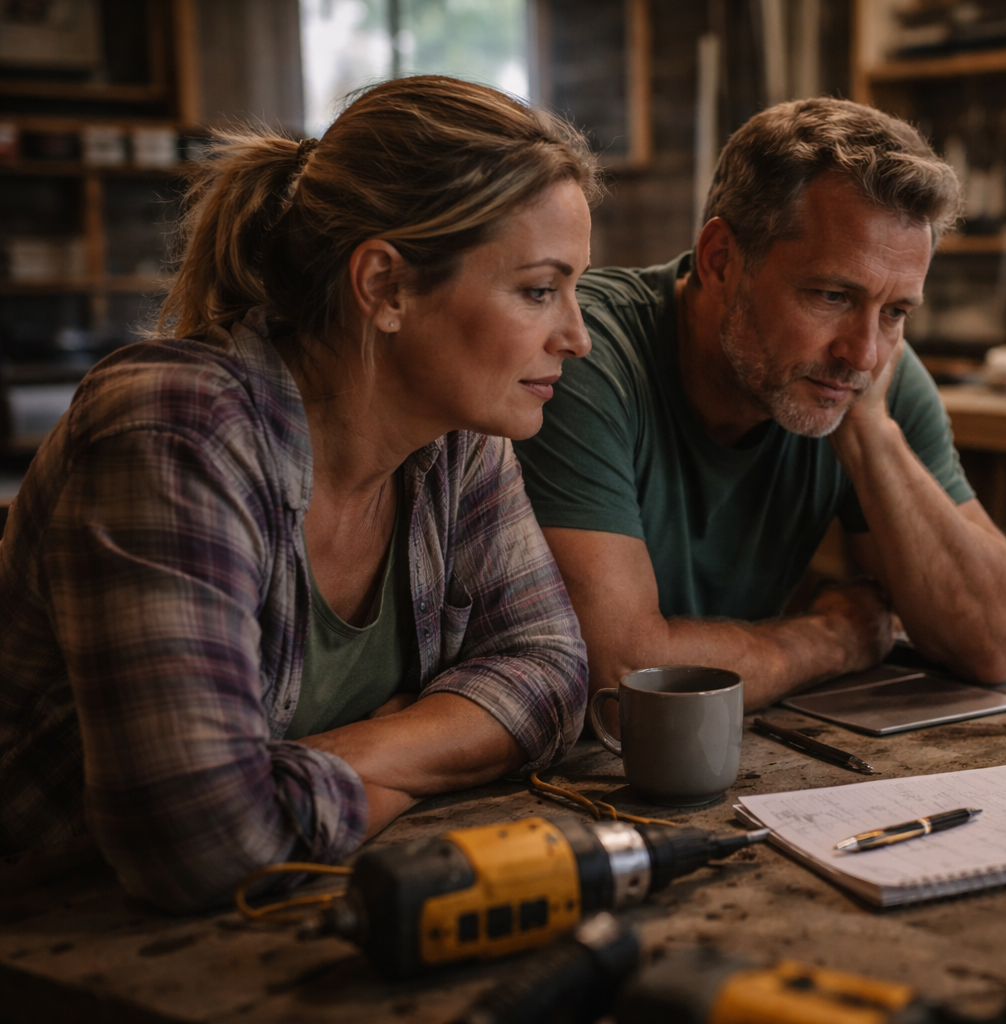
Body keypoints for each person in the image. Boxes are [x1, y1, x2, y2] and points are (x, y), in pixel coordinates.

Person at [0, 77, 597, 912]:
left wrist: (313, 765)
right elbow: (203, 845)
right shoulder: (175, 434)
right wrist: (430, 739)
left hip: (242, 927)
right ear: (385, 286)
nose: (577, 335)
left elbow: (554, 675)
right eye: (539, 290)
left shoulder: (459, 435)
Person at [514, 98, 1006, 712]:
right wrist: (836, 639)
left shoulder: (865, 375)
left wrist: (868, 433)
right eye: (832, 295)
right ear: (720, 262)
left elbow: (994, 643)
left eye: (896, 312)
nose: (864, 352)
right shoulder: (581, 354)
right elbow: (625, 671)